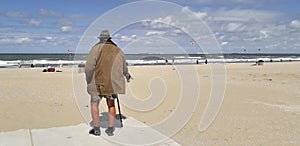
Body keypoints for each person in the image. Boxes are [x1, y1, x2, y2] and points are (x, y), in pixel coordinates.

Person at [85, 30, 131, 136]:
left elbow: (89, 67)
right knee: (111, 104)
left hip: (97, 82)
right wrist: (127, 75)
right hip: (112, 82)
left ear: (100, 39)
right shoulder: (118, 50)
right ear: (109, 39)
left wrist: (88, 79)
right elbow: (124, 66)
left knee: (94, 103)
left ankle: (96, 129)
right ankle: (110, 129)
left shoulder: (96, 48)